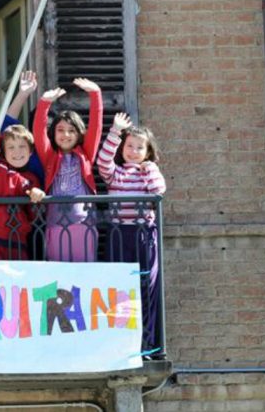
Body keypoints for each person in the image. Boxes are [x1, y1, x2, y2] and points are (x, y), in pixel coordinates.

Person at [97, 112, 166, 350]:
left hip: (144, 235)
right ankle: (119, 342)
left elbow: (159, 190)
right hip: (118, 234)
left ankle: (145, 344)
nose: (133, 151)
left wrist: (148, 168)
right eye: (129, 146)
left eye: (139, 147)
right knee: (119, 287)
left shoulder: (149, 171)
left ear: (148, 152)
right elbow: (102, 162)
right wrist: (116, 130)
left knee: (146, 286)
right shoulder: (115, 173)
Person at [0, 68, 45, 260]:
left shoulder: (31, 176)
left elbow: (29, 191)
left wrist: (36, 193)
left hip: (17, 244)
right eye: (10, 147)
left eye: (22, 147)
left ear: (31, 152)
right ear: (2, 151)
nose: (17, 152)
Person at [34, 77, 103, 262]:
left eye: (72, 130)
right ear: (53, 133)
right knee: (58, 275)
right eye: (60, 130)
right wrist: (44, 103)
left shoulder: (86, 154)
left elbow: (96, 128)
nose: (66, 135)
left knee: (85, 272)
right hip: (55, 223)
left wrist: (95, 94)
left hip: (84, 223)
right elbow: (38, 133)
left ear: (79, 134)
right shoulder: (49, 156)